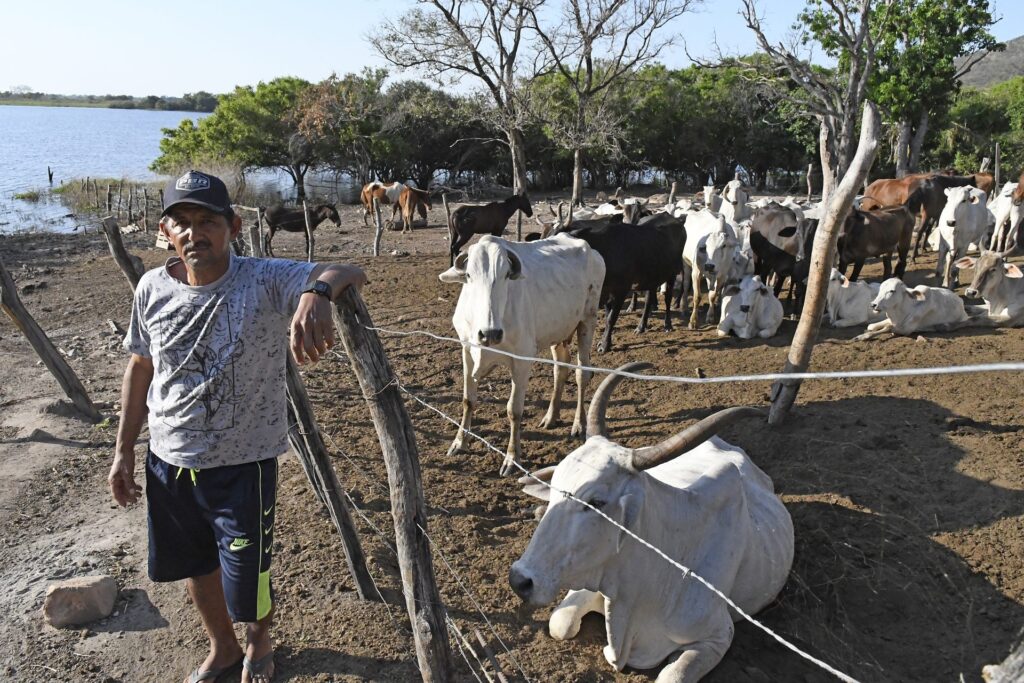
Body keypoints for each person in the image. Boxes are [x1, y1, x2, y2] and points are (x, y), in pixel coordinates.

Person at [108, 170, 366, 683]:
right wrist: (124, 449)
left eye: (207, 221)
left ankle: (258, 640)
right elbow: (140, 365)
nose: (194, 233)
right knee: (195, 565)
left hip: (243, 466)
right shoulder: (151, 287)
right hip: (168, 460)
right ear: (165, 231)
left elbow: (349, 269)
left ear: (233, 226)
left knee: (250, 577)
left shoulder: (264, 279)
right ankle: (222, 648)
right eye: (182, 222)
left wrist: (316, 292)